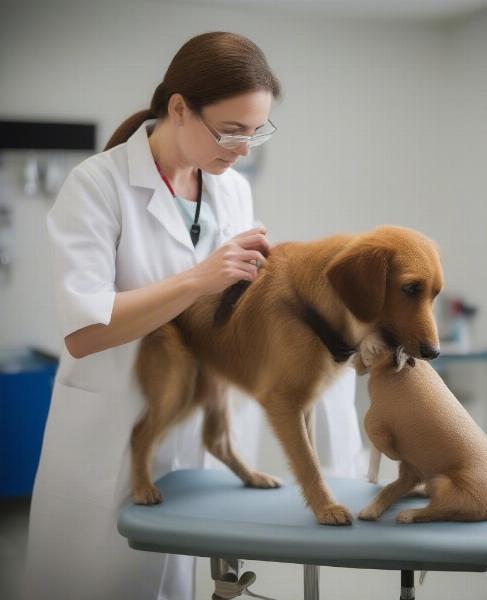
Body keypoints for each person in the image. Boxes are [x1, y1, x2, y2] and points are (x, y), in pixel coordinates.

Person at [23, 32, 362, 600]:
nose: (243, 148)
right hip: (109, 435)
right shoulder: (96, 185)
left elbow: (228, 307)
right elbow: (84, 331)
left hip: (197, 427)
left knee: (176, 584)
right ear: (178, 108)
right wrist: (199, 280)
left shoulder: (230, 192)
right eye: (231, 130)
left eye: (256, 132)